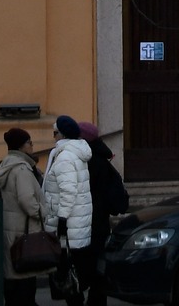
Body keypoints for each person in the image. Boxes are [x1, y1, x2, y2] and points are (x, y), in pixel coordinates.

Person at [0, 126, 43, 306]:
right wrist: (43, 213)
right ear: (21, 146)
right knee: (26, 282)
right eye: (29, 142)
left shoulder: (5, 166)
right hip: (24, 233)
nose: (32, 145)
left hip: (9, 233)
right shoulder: (22, 170)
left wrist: (2, 214)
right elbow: (28, 201)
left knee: (13, 281)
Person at [41, 115, 93, 302]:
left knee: (68, 279)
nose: (53, 136)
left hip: (68, 227)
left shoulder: (65, 157)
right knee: (73, 277)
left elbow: (68, 192)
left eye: (54, 133)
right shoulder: (74, 153)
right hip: (76, 225)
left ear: (61, 134)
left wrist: (61, 219)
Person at [78, 122, 129, 306]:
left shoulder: (88, 162)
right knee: (99, 268)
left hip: (88, 221)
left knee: (88, 266)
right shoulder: (102, 160)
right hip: (100, 222)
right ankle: (97, 300)